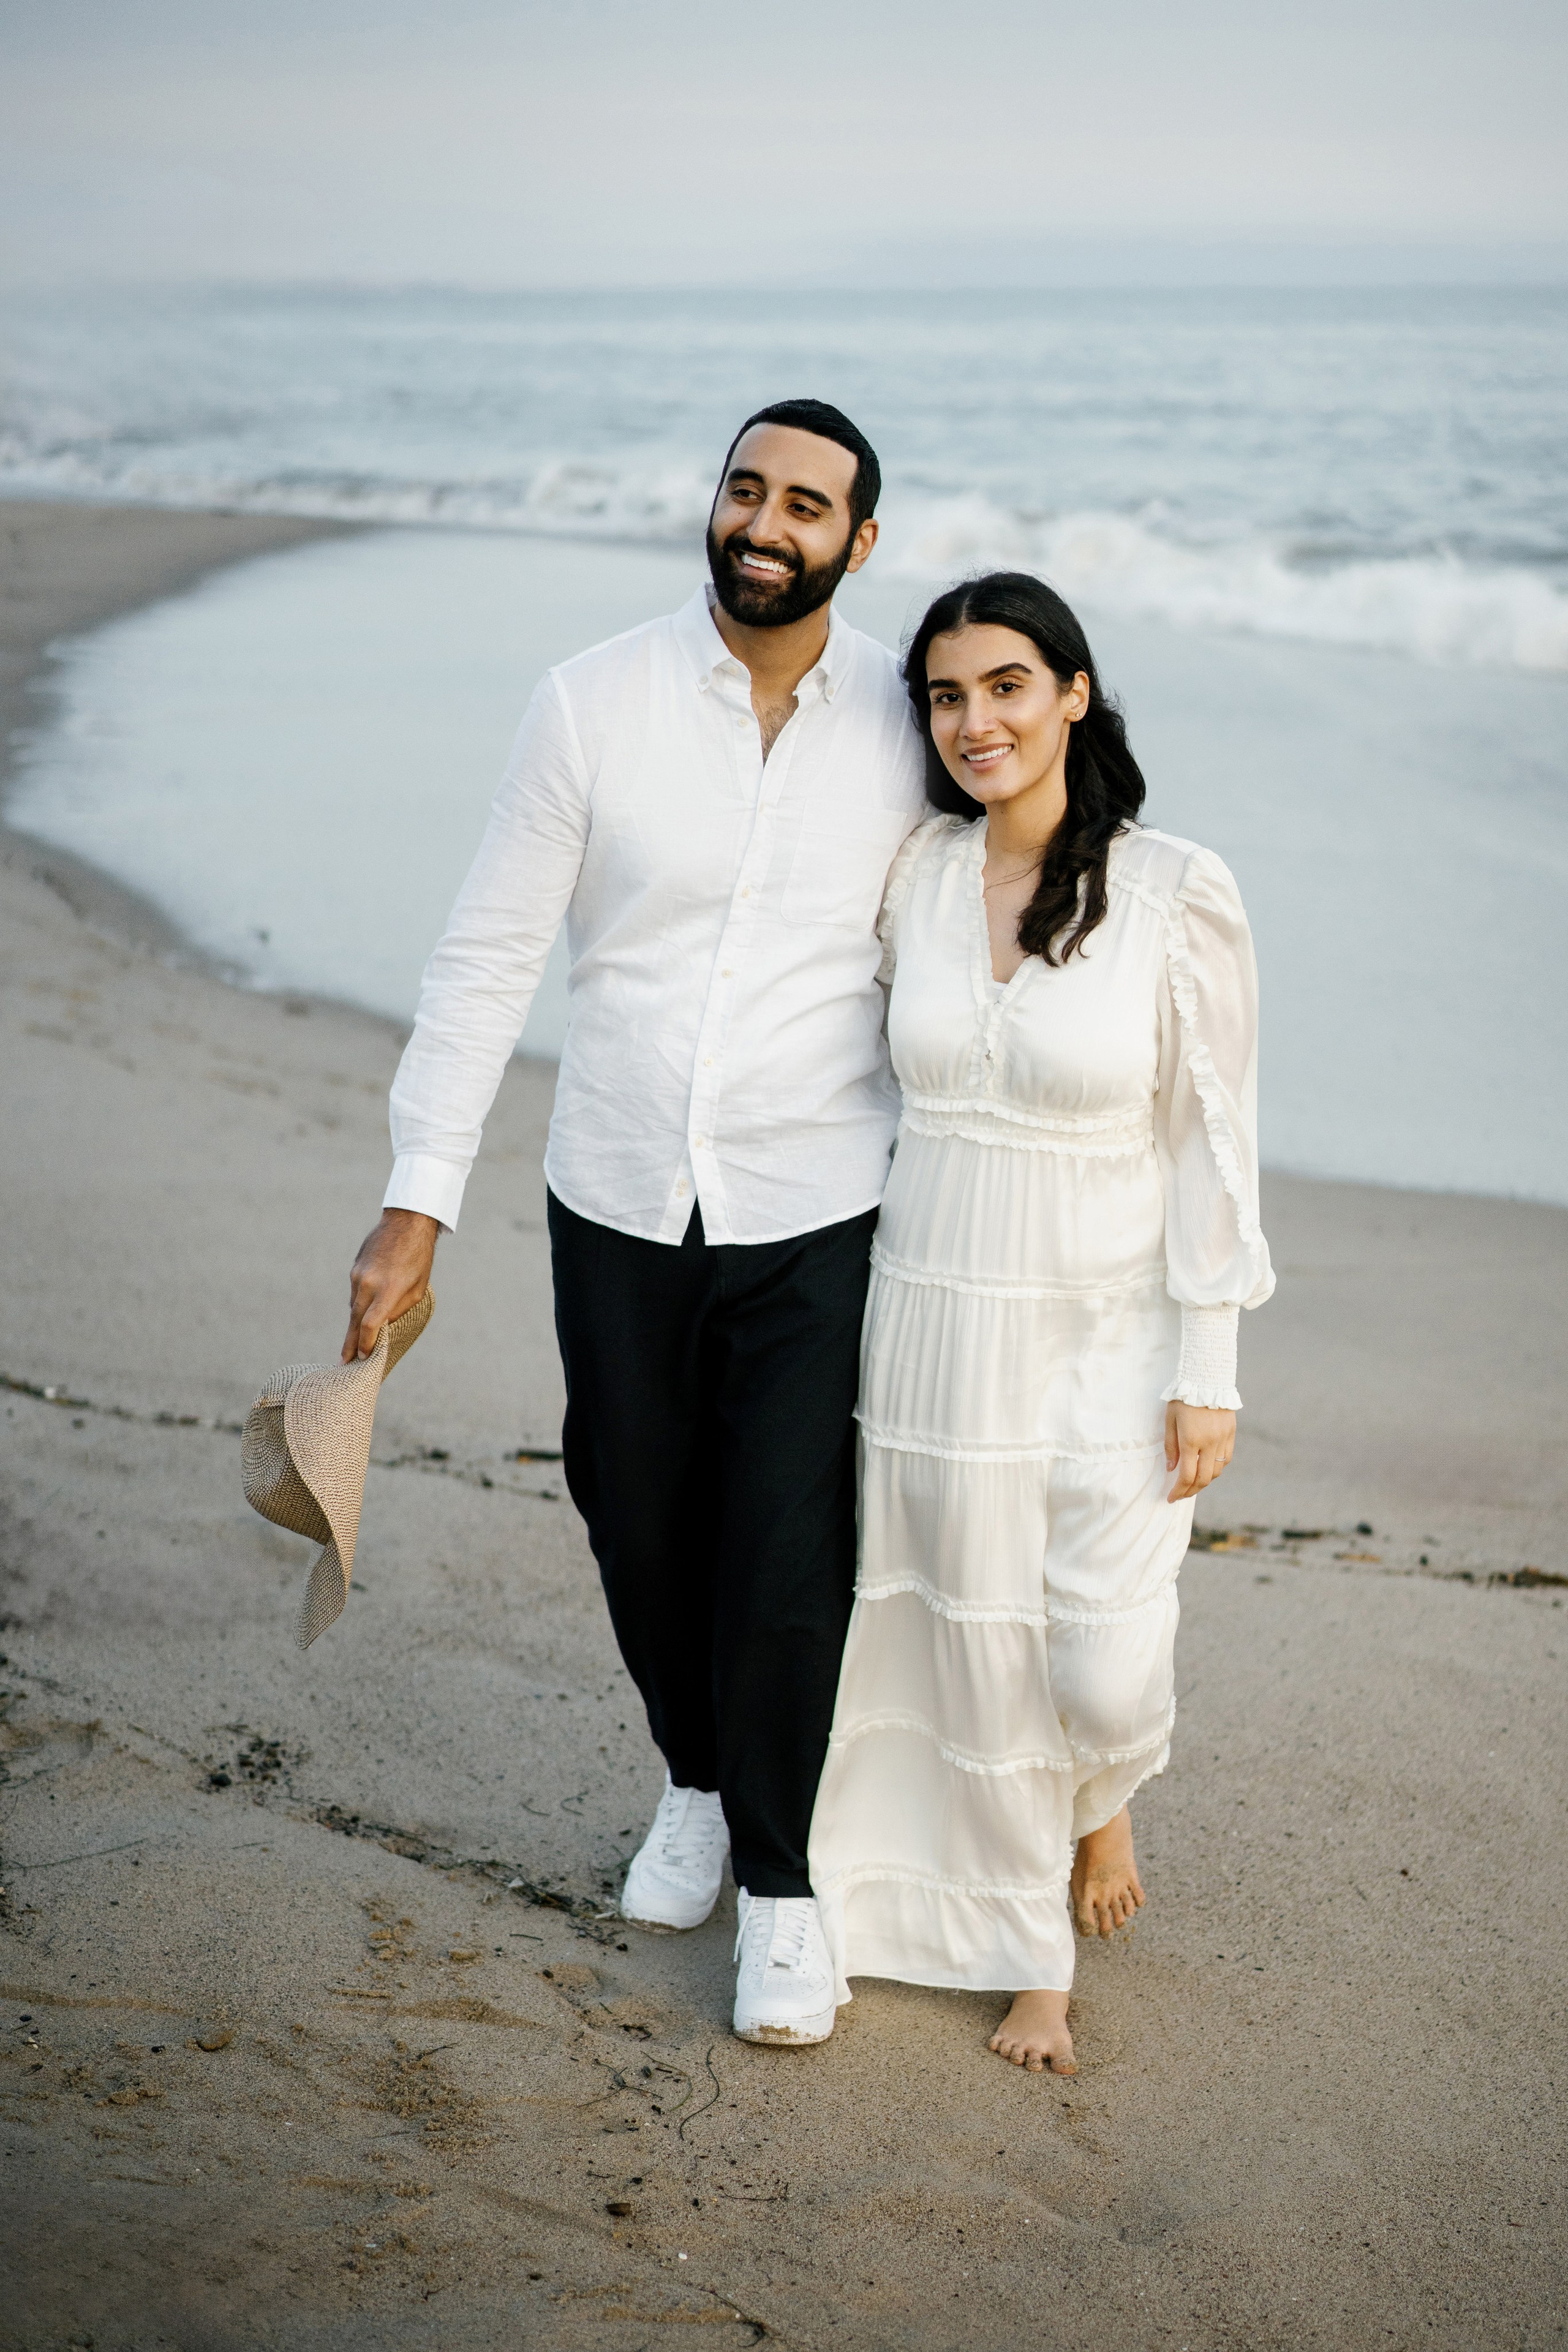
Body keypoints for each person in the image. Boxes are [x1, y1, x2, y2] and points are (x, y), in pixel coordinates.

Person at [339, 399, 928, 2046]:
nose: (765, 520)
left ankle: (787, 1887)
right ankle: (692, 1776)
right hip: (612, 1192)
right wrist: (416, 1203)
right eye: (746, 486)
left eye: (807, 504)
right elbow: (485, 955)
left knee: (790, 1545)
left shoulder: (906, 719)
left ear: (858, 543)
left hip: (818, 1201)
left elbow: (1001, 897)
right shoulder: (589, 704)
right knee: (637, 1513)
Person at [807, 571, 1274, 2074]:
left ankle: (1099, 1793)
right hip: (933, 1318)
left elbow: (1214, 1140)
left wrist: (1208, 1368)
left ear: (1072, 691)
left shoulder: (1173, 888)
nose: (974, 721)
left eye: (1005, 685)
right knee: (965, 1637)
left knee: (1094, 1667)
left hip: (1103, 1333)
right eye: (944, 695)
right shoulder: (915, 878)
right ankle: (1031, 1959)